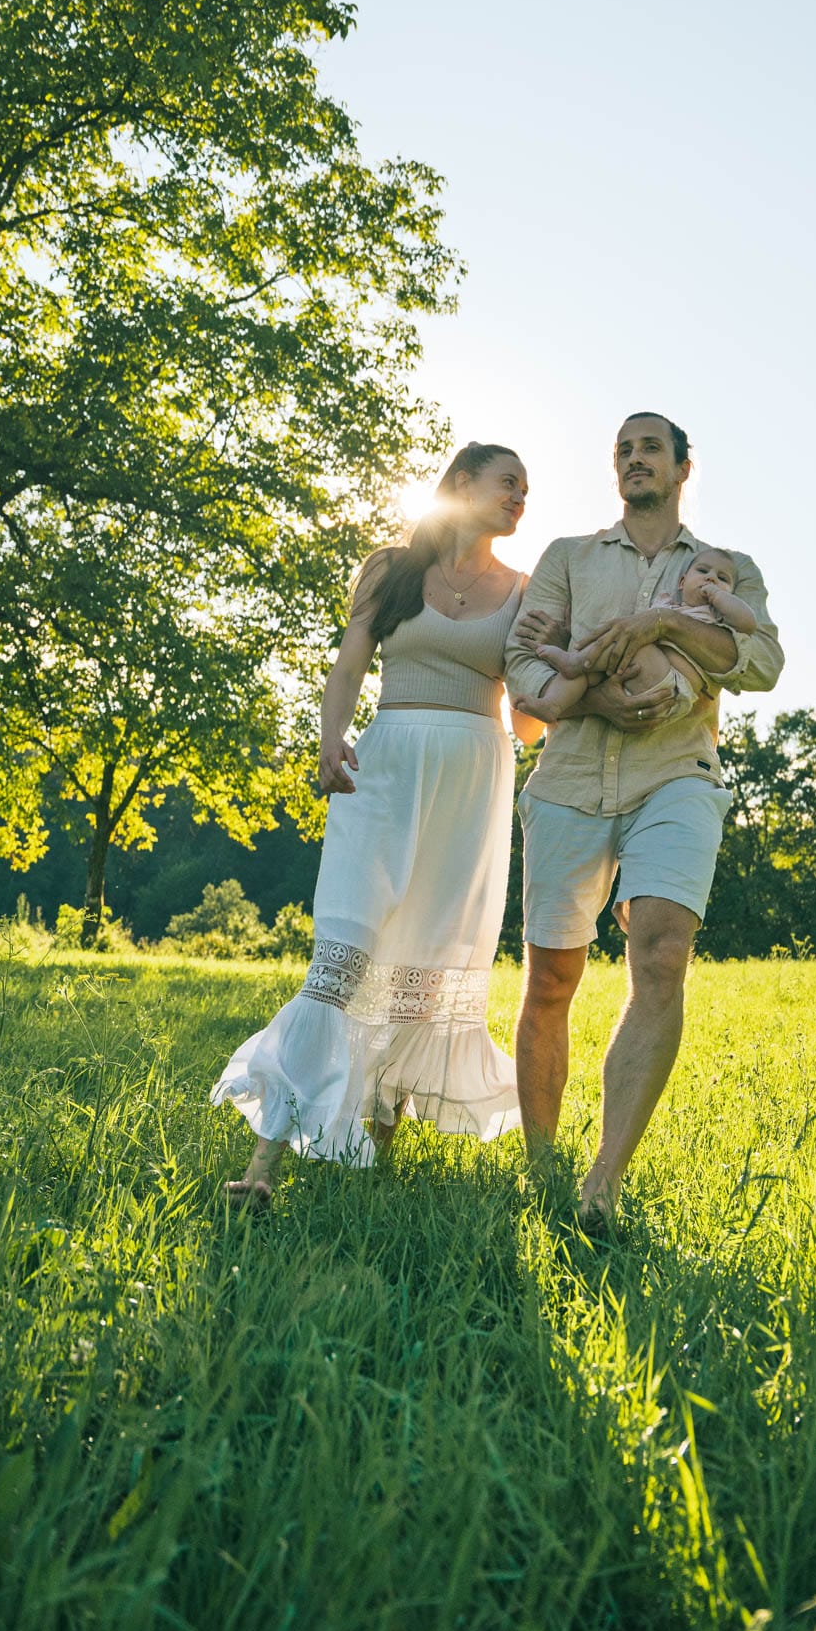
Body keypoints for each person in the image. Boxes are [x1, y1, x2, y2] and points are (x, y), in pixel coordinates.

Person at [212, 442, 540, 1205]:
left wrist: (580, 689)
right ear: (462, 484)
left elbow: (526, 721)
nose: (520, 498)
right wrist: (330, 735)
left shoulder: (525, 593)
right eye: (508, 484)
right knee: (343, 958)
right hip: (384, 771)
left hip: (471, 782)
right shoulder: (391, 570)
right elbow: (351, 661)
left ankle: (375, 1170)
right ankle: (262, 1168)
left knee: (422, 973)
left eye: (528, 491)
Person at [505, 412, 783, 1227]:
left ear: (683, 467)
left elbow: (761, 661)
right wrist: (599, 695)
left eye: (649, 447)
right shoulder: (565, 558)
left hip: (678, 776)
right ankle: (542, 1168)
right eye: (622, 449)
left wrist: (664, 623)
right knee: (551, 977)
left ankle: (603, 1186)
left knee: (661, 948)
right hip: (569, 779)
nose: (633, 459)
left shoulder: (726, 569)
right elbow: (522, 661)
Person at [512, 546, 757, 726]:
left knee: (631, 643)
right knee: (596, 668)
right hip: (638, 672)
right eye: (703, 571)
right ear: (682, 582)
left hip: (672, 686)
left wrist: (718, 596)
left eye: (722, 578)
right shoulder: (667, 603)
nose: (711, 577)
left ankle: (575, 660)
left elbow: (747, 623)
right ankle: (553, 704)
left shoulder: (715, 615)